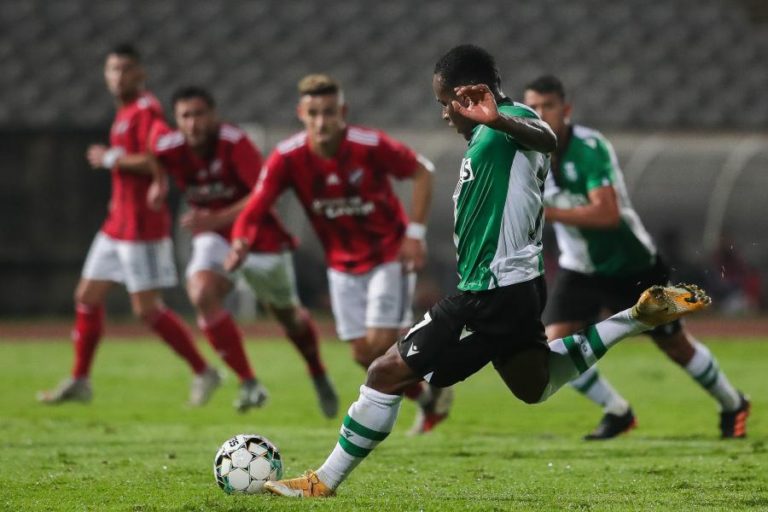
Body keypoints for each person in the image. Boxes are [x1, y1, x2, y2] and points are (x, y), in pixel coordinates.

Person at [261, 44, 710, 498]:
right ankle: (633, 319)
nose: (443, 116)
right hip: (514, 288)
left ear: (466, 95)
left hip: (491, 290)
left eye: (444, 104)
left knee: (384, 372)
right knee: (535, 385)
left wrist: (496, 119)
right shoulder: (491, 134)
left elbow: (547, 138)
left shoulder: (507, 123)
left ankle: (323, 482)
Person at [523, 74, 750, 439]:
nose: (539, 113)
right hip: (579, 267)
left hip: (633, 265)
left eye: (547, 105)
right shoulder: (528, 154)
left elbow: (607, 214)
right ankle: (618, 411)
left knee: (675, 347)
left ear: (565, 109)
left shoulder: (590, 147)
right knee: (553, 349)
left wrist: (545, 212)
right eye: (532, 106)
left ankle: (732, 402)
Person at [225, 73, 450, 434]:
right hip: (342, 265)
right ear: (301, 112)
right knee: (363, 354)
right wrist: (240, 239)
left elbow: (423, 172)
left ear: (342, 111)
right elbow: (257, 205)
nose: (321, 121)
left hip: (388, 257)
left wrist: (415, 234)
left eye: (329, 112)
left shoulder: (368, 145)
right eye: (313, 112)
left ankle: (436, 364)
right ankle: (429, 398)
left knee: (379, 343)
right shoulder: (287, 157)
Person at [38, 44, 219, 406]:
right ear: (106, 75)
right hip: (116, 223)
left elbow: (158, 154)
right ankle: (80, 379)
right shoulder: (124, 111)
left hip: (141, 227)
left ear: (141, 74)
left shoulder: (146, 109)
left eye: (126, 69)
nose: (119, 76)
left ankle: (204, 371)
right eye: (113, 69)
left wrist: (113, 159)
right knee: (86, 297)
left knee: (147, 310)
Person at [146, 86, 338, 415]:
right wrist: (158, 181)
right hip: (214, 236)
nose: (193, 123)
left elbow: (264, 195)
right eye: (185, 116)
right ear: (177, 121)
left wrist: (216, 217)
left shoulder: (235, 144)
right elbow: (152, 147)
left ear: (214, 115)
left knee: (288, 316)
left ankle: (318, 372)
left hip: (259, 235)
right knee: (202, 292)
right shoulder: (169, 146)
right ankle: (249, 382)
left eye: (199, 114)